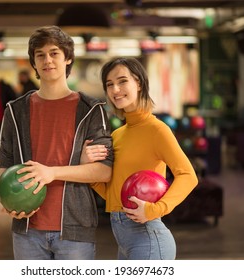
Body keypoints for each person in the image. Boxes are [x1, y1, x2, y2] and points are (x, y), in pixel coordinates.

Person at [0, 25, 113, 260]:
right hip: (27, 230)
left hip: (75, 230)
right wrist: (8, 203)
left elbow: (103, 171)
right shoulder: (15, 111)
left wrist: (52, 172)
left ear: (68, 58)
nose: (47, 60)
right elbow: (4, 166)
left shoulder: (91, 111)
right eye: (40, 55)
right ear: (34, 62)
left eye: (54, 53)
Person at [81, 57, 198, 260]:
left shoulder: (157, 130)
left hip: (148, 237)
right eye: (109, 85)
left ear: (139, 83)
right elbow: (113, 197)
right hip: (124, 239)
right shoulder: (117, 135)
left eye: (122, 81)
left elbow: (188, 176)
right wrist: (88, 171)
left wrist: (156, 209)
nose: (115, 89)